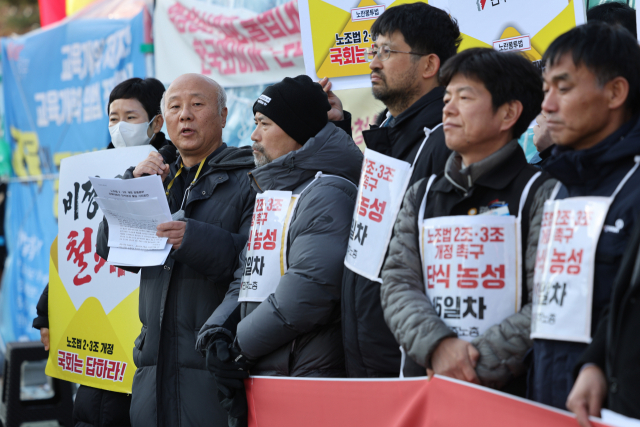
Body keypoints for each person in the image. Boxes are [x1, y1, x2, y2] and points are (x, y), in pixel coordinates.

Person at [380, 48, 556, 394]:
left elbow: (549, 300)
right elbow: (397, 283)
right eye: (447, 97)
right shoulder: (422, 194)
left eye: (464, 96)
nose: (448, 108)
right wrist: (438, 347)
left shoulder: (542, 194)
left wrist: (473, 364)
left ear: (509, 113)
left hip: (511, 398)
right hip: (427, 390)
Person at [196, 75, 363, 425]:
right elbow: (248, 273)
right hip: (271, 369)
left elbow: (308, 292)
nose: (254, 136)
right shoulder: (277, 194)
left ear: (298, 131)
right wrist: (218, 332)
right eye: (255, 124)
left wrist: (237, 346)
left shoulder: (326, 192)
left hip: (307, 375)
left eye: (264, 124)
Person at [96, 73, 256, 427]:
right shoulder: (158, 180)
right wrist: (131, 185)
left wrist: (191, 238)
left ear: (224, 116)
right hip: (153, 370)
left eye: (197, 105)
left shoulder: (248, 180)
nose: (185, 115)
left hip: (214, 366)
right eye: (175, 107)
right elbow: (109, 248)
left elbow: (253, 265)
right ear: (163, 121)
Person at [32, 77, 174, 427]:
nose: (120, 126)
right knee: (94, 409)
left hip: (141, 327)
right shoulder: (93, 172)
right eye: (113, 117)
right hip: (100, 331)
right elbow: (74, 244)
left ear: (156, 123)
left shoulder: (174, 169)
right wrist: (47, 312)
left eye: (130, 116)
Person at [339, 2, 461, 378]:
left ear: (429, 65)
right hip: (364, 348)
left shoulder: (446, 142)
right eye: (372, 50)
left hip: (411, 357)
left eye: (387, 51)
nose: (373, 62)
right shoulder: (388, 133)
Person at [527, 22, 640, 409]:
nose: (548, 106)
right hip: (552, 398)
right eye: (546, 90)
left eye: (564, 87)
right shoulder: (557, 184)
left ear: (615, 92)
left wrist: (597, 364)